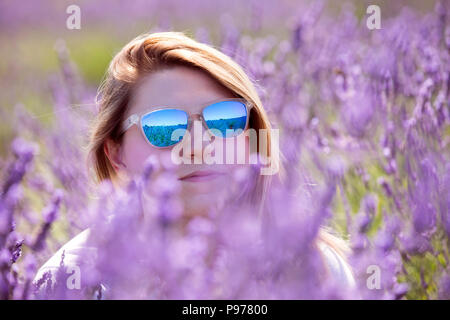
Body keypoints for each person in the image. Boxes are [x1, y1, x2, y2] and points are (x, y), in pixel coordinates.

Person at [34, 32, 355, 297]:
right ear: (115, 153)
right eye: (164, 126)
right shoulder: (68, 284)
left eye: (226, 119)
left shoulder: (318, 270)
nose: (198, 146)